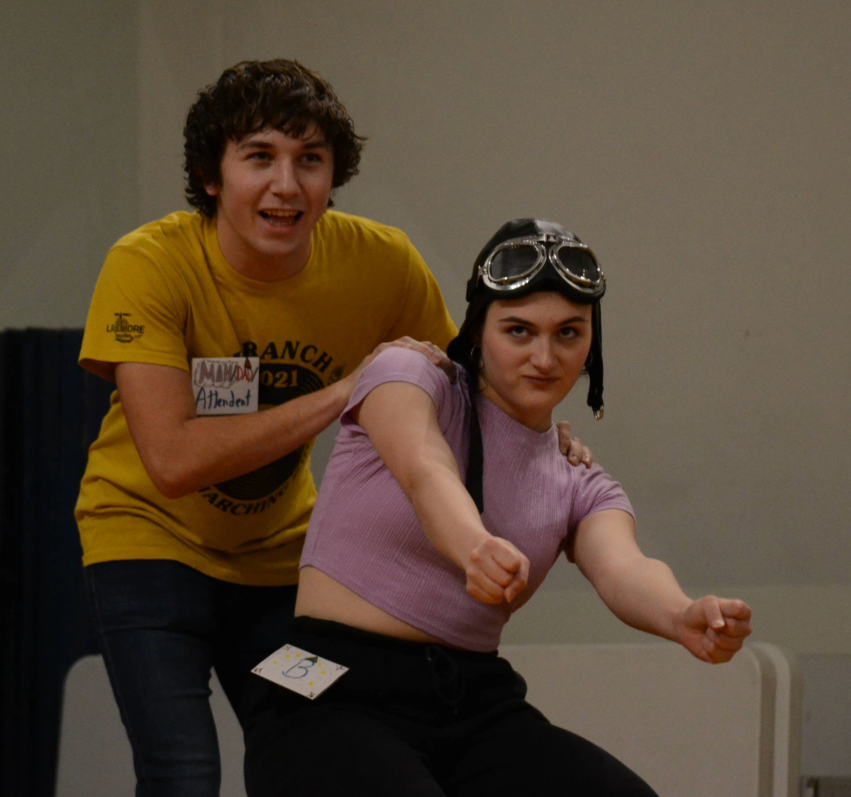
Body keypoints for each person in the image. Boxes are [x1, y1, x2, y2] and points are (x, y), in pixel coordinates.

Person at [74, 62, 589, 797]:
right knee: (184, 772)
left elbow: (474, 391)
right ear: (210, 175)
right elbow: (174, 459)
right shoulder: (148, 264)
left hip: (283, 559)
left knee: (312, 744)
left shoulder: (381, 261)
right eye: (260, 157)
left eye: (309, 160)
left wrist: (549, 438)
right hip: (147, 546)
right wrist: (351, 388)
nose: (287, 185)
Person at [242, 219, 754, 797]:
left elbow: (624, 567)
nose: (544, 357)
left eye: (568, 333)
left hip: (472, 705)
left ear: (592, 343)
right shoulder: (410, 377)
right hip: (330, 692)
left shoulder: (577, 477)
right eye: (518, 331)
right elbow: (423, 468)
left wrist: (680, 615)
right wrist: (472, 545)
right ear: (479, 330)